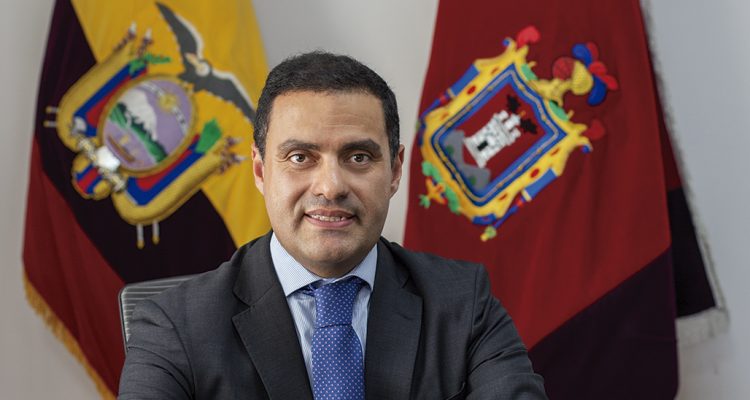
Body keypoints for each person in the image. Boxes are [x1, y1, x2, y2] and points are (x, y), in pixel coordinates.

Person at [118, 51, 548, 400]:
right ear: (261, 170)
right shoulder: (174, 325)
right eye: (300, 157)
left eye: (358, 157)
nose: (331, 187)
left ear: (395, 170)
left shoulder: (464, 304)